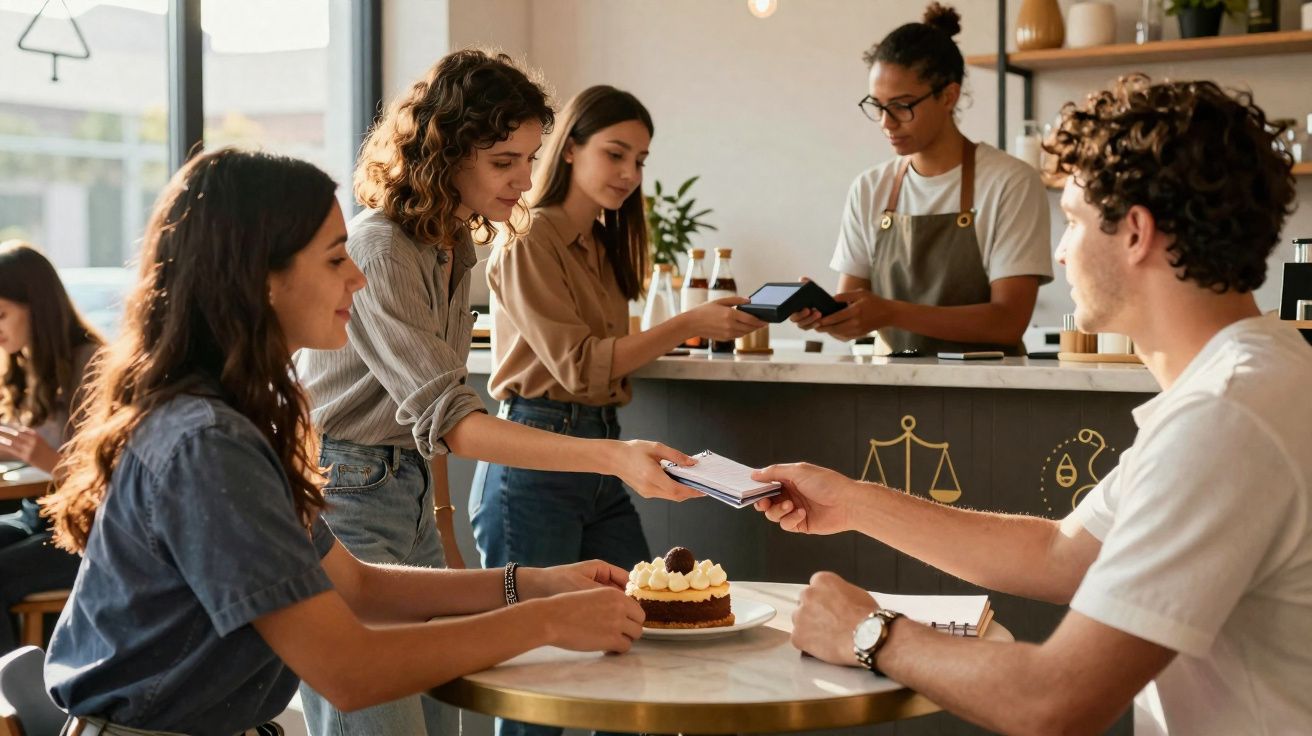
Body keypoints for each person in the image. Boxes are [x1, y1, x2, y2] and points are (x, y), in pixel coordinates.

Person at [753, 76, 1310, 734]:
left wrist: (869, 633)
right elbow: (1063, 554)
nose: (1060, 249)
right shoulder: (1260, 376)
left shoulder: (1224, 420)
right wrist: (849, 501)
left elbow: (1055, 702)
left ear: (1135, 233)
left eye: (1071, 220)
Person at [40, 147, 649, 736]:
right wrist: (545, 621)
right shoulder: (209, 444)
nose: (357, 277)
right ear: (262, 279)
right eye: (336, 259)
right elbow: (349, 669)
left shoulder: (236, 421)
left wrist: (532, 584)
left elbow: (356, 586)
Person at [294, 51, 697, 735]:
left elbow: (431, 418)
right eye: (504, 161)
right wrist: (615, 457)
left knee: (436, 718)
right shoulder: (382, 249)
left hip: (403, 489)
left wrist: (441, 533)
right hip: (350, 492)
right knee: (381, 723)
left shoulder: (451, 243)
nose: (525, 180)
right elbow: (454, 421)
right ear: (445, 152)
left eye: (530, 159)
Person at [473, 84, 764, 736]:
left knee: (643, 638)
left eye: (641, 160)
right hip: (536, 466)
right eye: (616, 154)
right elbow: (580, 363)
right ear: (569, 148)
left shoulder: (601, 244)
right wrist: (688, 321)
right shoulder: (528, 238)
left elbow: (605, 361)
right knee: (537, 683)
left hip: (603, 457)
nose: (631, 175)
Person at [793, 3, 1051, 355]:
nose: (886, 122)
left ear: (949, 96)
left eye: (901, 106)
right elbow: (855, 323)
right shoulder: (869, 189)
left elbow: (1007, 322)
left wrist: (890, 311)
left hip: (985, 396)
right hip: (891, 389)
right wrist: (829, 315)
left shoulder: (1010, 183)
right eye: (878, 105)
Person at [0, 240, 102, 655]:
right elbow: (21, 445)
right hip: (38, 516)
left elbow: (113, 487)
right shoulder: (29, 365)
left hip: (86, 532)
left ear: (36, 307)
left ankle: (13, 710)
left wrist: (46, 460)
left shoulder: (93, 366)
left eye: (2, 315)